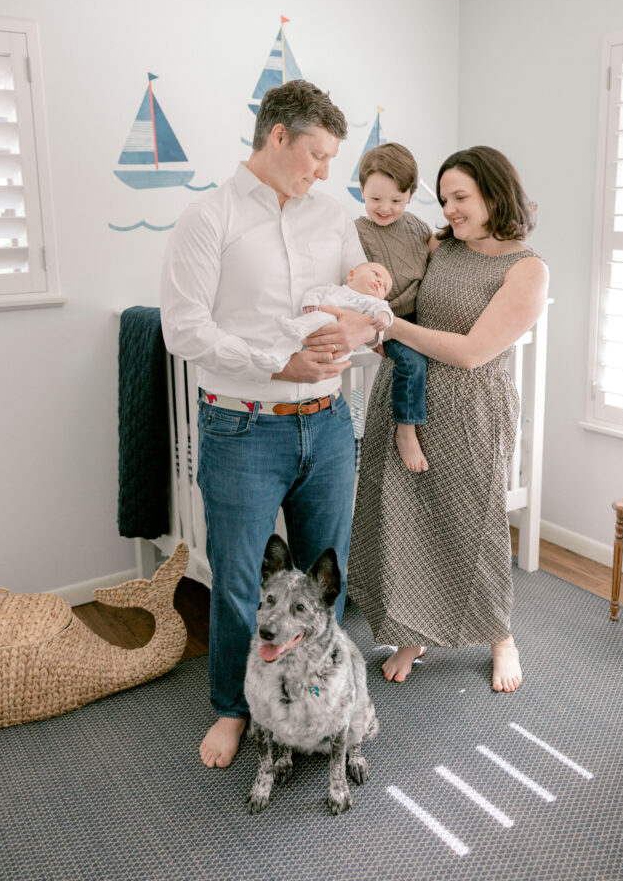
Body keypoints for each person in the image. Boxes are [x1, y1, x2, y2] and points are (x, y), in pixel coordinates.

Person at [160, 80, 380, 769]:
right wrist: (278, 363)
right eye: (316, 155)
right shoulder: (210, 218)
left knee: (323, 577)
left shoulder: (333, 218)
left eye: (331, 160)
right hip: (243, 427)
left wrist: (363, 320)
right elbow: (183, 329)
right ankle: (233, 707)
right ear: (277, 136)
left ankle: (318, 696)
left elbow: (365, 307)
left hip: (329, 423)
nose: (324, 172)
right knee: (238, 582)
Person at [344, 145, 549, 691]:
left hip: (470, 408)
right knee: (404, 521)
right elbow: (405, 294)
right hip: (405, 398)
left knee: (472, 524)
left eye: (461, 197)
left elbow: (472, 352)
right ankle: (413, 635)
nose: (450, 209)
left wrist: (388, 325)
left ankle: (500, 635)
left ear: (495, 194)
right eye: (444, 200)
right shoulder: (440, 246)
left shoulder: (526, 269)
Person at [354, 143, 437, 472]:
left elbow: (433, 260)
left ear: (410, 197)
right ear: (362, 191)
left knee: (445, 351)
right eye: (376, 199)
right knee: (412, 362)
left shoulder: (417, 227)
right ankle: (406, 429)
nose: (385, 208)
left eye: (396, 201)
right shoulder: (357, 233)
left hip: (421, 315)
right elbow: (352, 284)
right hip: (386, 318)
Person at [241, 261, 394, 374]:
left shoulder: (373, 302)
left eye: (385, 287)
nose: (380, 282)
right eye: (376, 274)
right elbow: (314, 293)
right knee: (290, 340)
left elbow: (386, 311)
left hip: (335, 347)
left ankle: (298, 327)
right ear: (351, 275)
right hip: (312, 335)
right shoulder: (334, 289)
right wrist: (310, 303)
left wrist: (384, 317)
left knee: (325, 317)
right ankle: (274, 357)